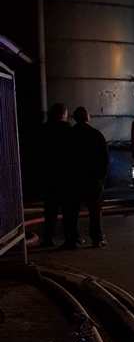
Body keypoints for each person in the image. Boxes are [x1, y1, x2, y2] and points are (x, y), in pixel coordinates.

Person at [62, 107, 109, 249]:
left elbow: (63, 159)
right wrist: (101, 178)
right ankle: (97, 239)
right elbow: (104, 159)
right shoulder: (96, 134)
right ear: (87, 118)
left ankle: (72, 240)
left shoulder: (69, 135)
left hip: (74, 180)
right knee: (95, 211)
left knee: (71, 211)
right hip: (92, 180)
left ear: (74, 118)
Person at [39, 103, 70, 247]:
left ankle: (48, 238)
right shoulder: (67, 129)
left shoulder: (44, 130)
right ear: (62, 114)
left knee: (50, 211)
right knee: (68, 210)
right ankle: (69, 239)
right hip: (65, 176)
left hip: (48, 176)